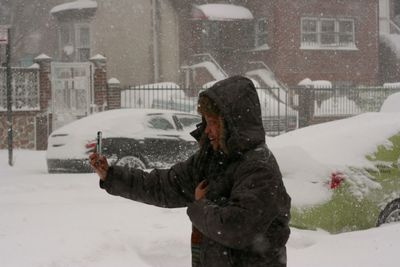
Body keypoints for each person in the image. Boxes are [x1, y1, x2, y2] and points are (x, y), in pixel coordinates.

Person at [90, 75, 291, 267]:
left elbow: (236, 228)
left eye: (213, 122)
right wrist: (112, 175)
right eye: (206, 121)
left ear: (232, 124)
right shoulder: (212, 159)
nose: (207, 130)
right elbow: (165, 185)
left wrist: (199, 206)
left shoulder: (260, 168)